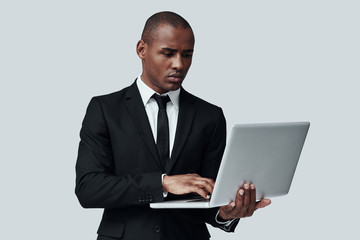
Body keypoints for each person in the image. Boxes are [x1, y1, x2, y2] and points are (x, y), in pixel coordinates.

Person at [75, 11, 271, 240]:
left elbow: (210, 194)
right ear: (142, 50)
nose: (179, 64)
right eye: (168, 53)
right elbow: (89, 188)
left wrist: (226, 213)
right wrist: (163, 183)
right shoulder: (105, 109)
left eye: (187, 55)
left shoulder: (210, 116)